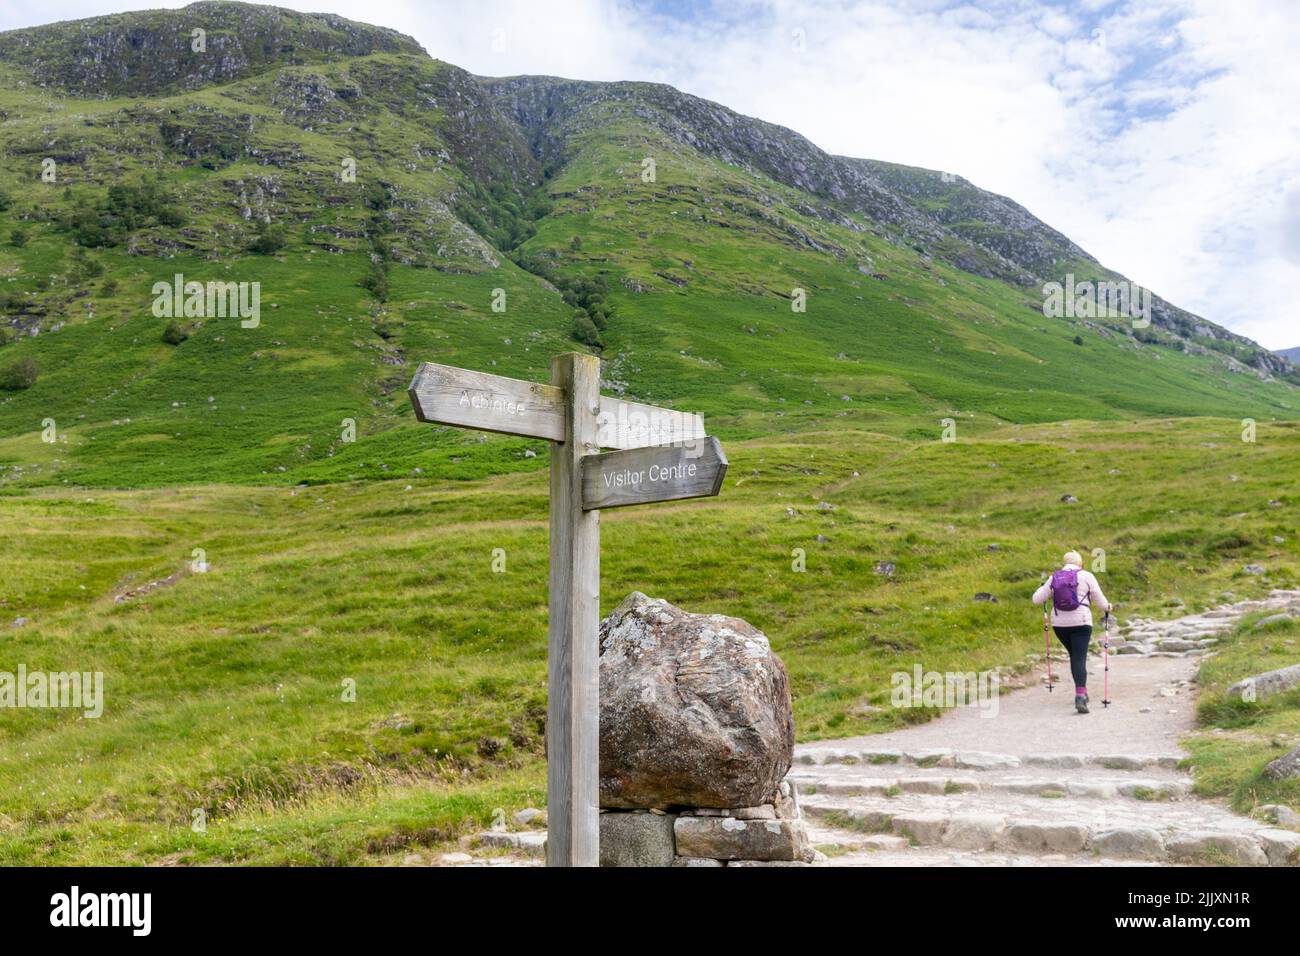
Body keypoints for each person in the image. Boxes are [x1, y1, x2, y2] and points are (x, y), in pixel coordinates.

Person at [1032, 550, 1112, 714]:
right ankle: (1080, 696)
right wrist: (1108, 607)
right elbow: (1101, 602)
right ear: (1080, 563)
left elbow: (1036, 599)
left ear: (1064, 563)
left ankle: (1082, 692)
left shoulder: (1054, 577)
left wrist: (1045, 589)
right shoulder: (1087, 576)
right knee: (1079, 658)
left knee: (1075, 657)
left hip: (1060, 625)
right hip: (1081, 623)